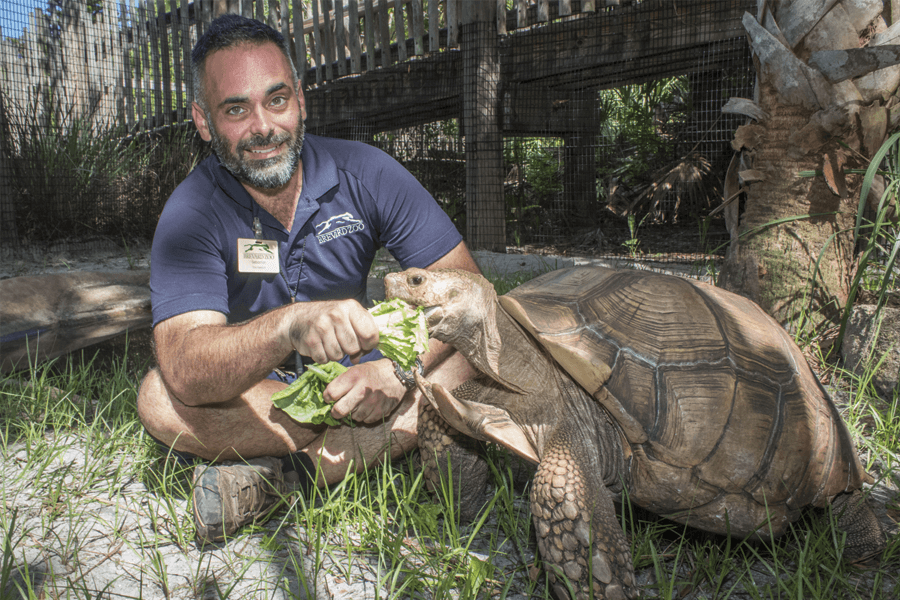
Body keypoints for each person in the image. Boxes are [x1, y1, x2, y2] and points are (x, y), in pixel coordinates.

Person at [137, 14, 480, 543]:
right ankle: (338, 461)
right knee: (158, 396)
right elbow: (183, 363)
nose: (263, 127)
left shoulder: (368, 171)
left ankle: (276, 475)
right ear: (204, 121)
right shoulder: (189, 212)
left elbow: (470, 289)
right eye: (235, 109)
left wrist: (398, 369)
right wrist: (287, 327)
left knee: (466, 357)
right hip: (261, 397)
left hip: (373, 382)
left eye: (276, 100)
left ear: (300, 98)